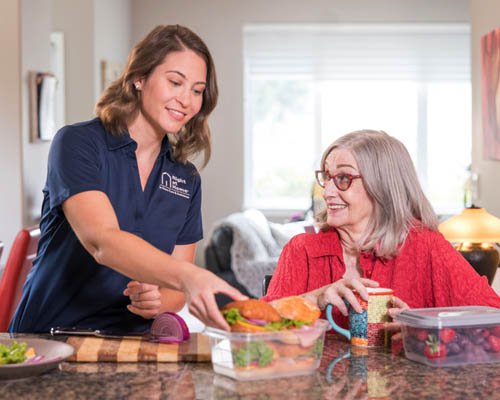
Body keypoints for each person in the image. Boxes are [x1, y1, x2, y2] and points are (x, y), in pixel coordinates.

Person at [9, 25, 246, 333]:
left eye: (197, 90)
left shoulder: (185, 179)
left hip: (129, 346)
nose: (186, 100)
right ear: (139, 77)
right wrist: (190, 278)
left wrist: (158, 301)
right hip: (51, 339)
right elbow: (102, 242)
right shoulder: (78, 144)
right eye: (175, 82)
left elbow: (175, 289)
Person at [261, 130, 500, 329]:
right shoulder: (302, 249)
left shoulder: (426, 247)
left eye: (343, 178)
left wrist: (421, 327)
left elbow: (493, 321)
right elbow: (256, 327)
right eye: (327, 177)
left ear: (382, 186)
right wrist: (315, 298)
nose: (327, 192)